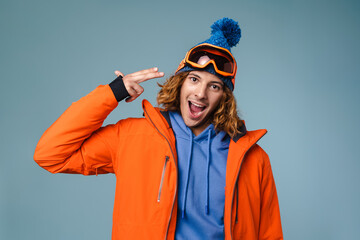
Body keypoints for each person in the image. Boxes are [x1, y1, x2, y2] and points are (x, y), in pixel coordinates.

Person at [34, 18, 283, 240]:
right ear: (180, 83)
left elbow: (269, 233)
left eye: (214, 86)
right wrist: (113, 92)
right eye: (194, 79)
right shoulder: (131, 137)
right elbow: (50, 155)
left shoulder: (254, 160)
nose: (200, 93)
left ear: (224, 98)